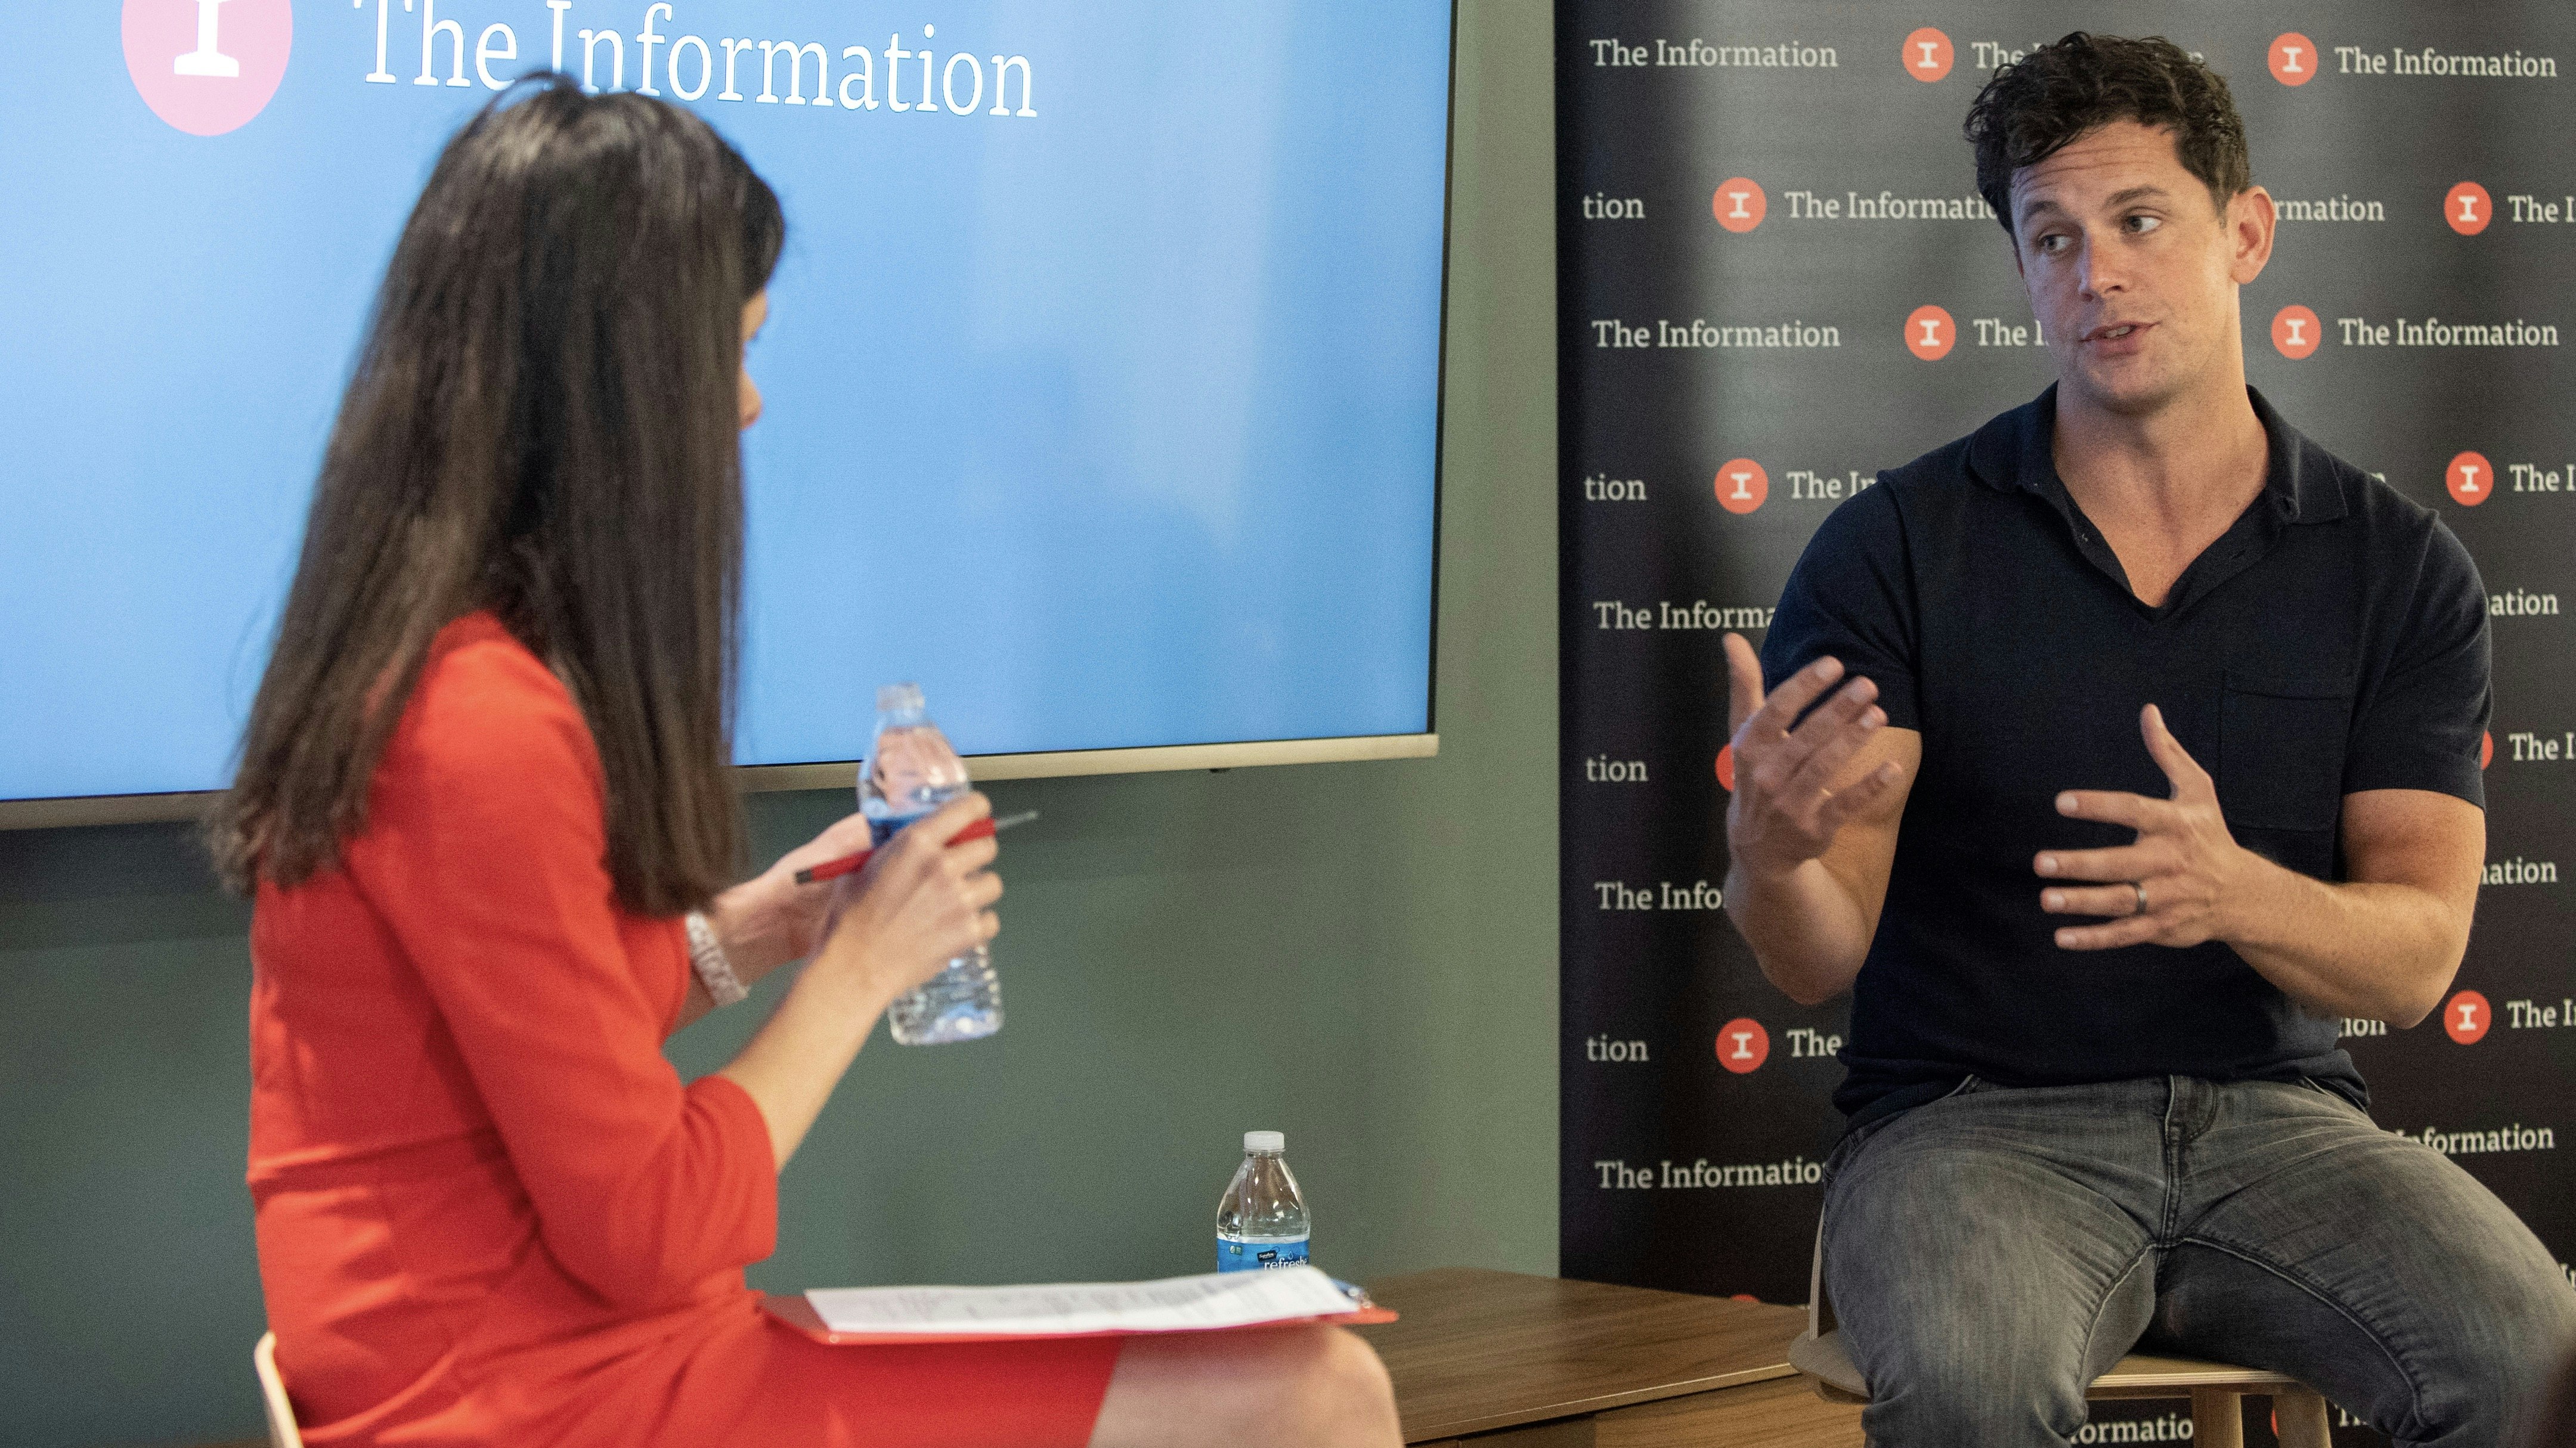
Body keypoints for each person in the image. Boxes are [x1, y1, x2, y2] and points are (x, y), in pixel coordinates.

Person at [208, 77, 1400, 1448]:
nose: (752, 403)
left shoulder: (420, 679)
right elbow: (651, 1224)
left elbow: (547, 1042)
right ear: (619, 382)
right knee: (1317, 1392)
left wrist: (767, 928)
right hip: (566, 1403)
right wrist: (856, 975)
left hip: (539, 1375)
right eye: (734, 348)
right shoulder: (479, 727)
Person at [1719, 34, 2576, 1448]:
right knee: (1975, 1387)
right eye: (2051, 237)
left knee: (2531, 1355)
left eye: (2138, 222)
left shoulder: (2397, 568)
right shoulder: (1897, 548)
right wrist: (1771, 857)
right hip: (1967, 1131)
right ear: (2021, 272)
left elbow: (2418, 958)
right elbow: (1815, 952)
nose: (2095, 273)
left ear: (2244, 233)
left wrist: (2235, 892)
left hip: (2280, 1124)